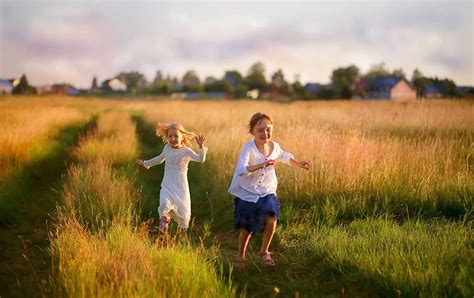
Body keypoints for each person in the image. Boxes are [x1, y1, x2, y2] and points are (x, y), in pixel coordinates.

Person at [228, 113, 311, 267]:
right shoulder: (248, 148)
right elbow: (240, 169)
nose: (265, 133)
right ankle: (240, 255)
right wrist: (260, 165)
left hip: (267, 189)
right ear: (252, 131)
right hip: (248, 192)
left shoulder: (275, 146)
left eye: (268, 130)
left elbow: (284, 157)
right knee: (247, 228)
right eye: (260, 130)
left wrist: (299, 163)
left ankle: (264, 251)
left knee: (272, 216)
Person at [137, 122, 207, 233]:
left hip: (181, 187)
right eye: (170, 136)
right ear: (167, 137)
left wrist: (201, 147)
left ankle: (179, 237)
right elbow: (159, 159)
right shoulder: (167, 148)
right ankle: (163, 227)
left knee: (183, 212)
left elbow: (200, 159)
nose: (173, 139)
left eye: (176, 136)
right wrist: (145, 163)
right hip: (167, 184)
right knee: (164, 204)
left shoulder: (186, 151)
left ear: (182, 137)